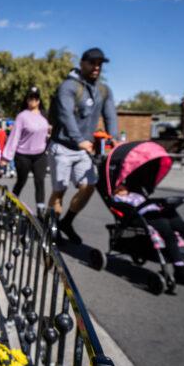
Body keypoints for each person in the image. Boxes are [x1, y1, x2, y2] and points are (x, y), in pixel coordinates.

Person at [47, 48, 119, 244]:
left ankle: (67, 222)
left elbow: (110, 114)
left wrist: (116, 138)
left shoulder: (103, 90)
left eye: (100, 64)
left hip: (83, 149)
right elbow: (65, 115)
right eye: (92, 63)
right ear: (82, 63)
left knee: (89, 186)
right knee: (59, 189)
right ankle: (51, 226)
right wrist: (78, 139)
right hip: (62, 146)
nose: (96, 67)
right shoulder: (69, 86)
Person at [113, 184, 184, 286]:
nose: (122, 188)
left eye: (123, 186)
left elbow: (149, 200)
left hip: (159, 210)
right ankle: (180, 269)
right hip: (146, 215)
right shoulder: (118, 199)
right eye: (119, 187)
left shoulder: (136, 194)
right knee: (169, 236)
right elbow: (128, 211)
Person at [2, 86, 51, 219]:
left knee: (39, 181)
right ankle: (11, 202)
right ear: (27, 100)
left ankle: (40, 210)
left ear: (39, 100)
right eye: (30, 98)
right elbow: (14, 136)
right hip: (23, 154)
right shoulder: (22, 116)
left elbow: (50, 133)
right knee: (21, 181)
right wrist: (6, 156)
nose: (33, 101)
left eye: (35, 98)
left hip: (40, 154)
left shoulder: (44, 116)